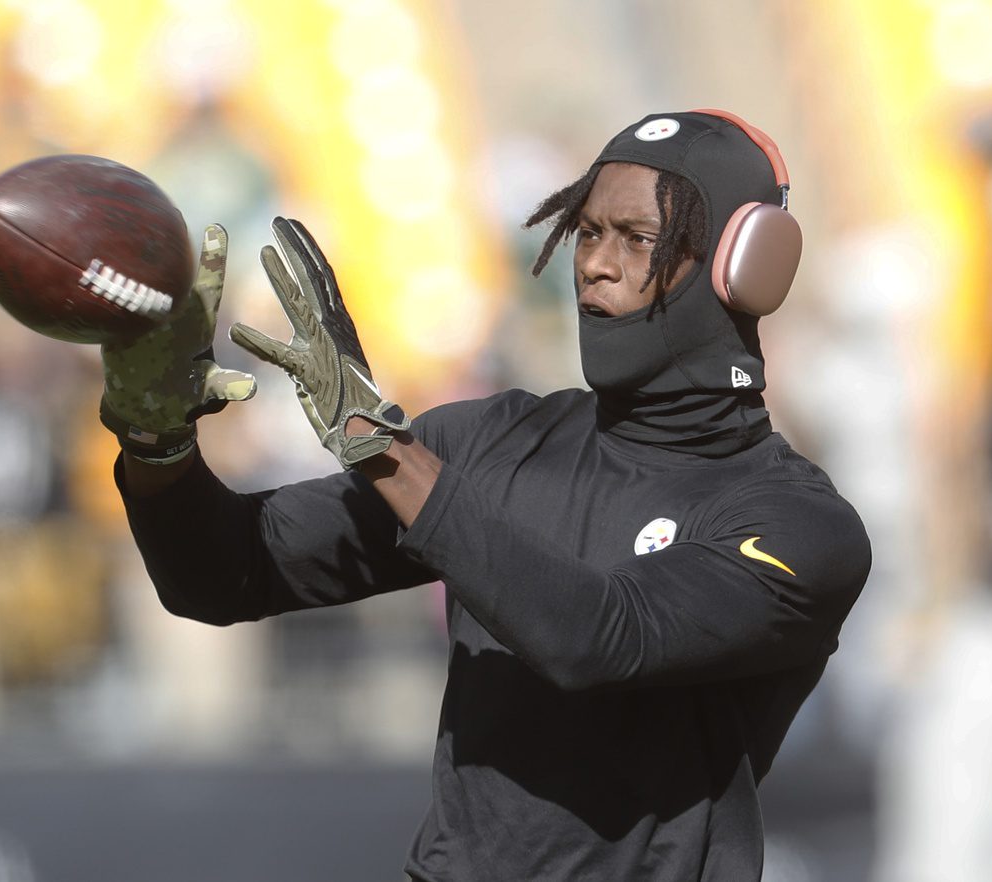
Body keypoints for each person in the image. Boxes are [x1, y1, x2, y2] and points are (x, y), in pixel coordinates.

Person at [97, 110, 872, 882]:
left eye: (639, 240)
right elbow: (223, 573)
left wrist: (383, 447)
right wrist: (159, 446)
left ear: (749, 267)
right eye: (587, 232)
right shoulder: (488, 445)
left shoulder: (800, 525)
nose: (596, 265)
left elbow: (596, 639)